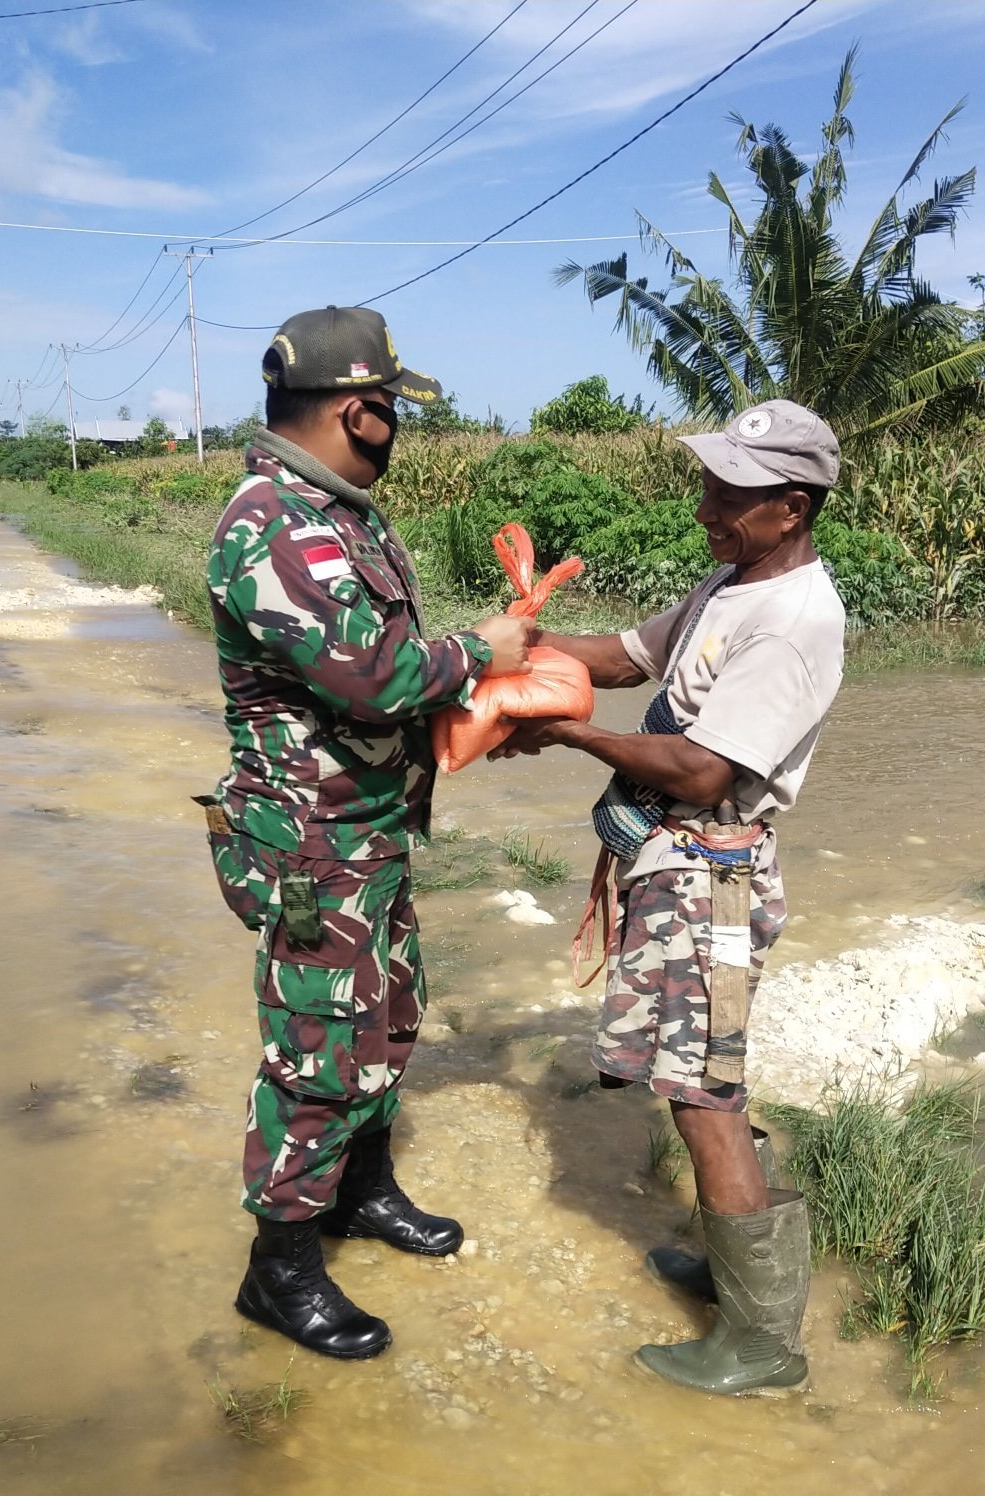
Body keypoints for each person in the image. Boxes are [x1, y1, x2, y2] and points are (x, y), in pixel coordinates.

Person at [492, 398, 847, 1395]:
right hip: (676, 870)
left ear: (788, 505)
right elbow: (624, 656)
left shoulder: (793, 622)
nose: (705, 509)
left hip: (712, 881)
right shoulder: (731, 583)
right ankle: (728, 1271)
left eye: (727, 494)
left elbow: (697, 770)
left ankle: (764, 1345)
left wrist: (563, 733)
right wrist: (529, 650)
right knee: (699, 1076)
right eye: (707, 484)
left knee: (703, 1093)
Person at [202, 306, 532, 1360]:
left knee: (384, 1019)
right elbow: (376, 674)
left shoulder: (337, 513)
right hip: (309, 843)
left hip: (365, 828)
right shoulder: (274, 525)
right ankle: (279, 1272)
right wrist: (483, 651)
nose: (397, 428)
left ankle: (360, 1195)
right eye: (392, 410)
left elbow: (374, 677)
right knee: (318, 1052)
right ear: (361, 411)